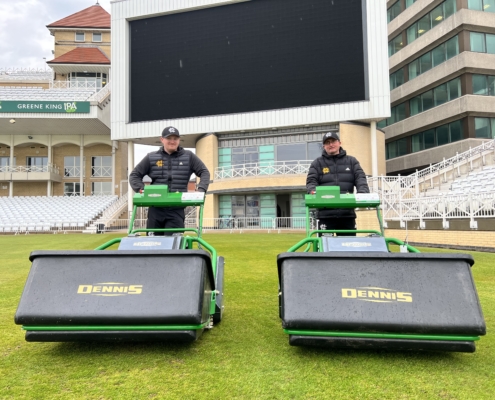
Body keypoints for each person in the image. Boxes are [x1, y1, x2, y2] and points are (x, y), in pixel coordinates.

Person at [129, 126, 210, 235]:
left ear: (179, 140)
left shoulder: (189, 156)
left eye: (175, 138)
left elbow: (204, 172)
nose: (172, 141)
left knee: (174, 245)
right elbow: (134, 175)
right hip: (155, 209)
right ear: (162, 139)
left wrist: (201, 189)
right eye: (169, 138)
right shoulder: (151, 157)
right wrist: (142, 189)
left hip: (176, 209)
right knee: (152, 245)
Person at [306, 131, 369, 236]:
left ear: (339, 143)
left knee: (348, 248)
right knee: (325, 248)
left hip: (347, 215)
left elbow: (360, 178)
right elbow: (311, 182)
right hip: (325, 215)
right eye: (327, 143)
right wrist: (313, 191)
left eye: (333, 141)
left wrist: (363, 191)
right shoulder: (317, 163)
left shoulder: (352, 161)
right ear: (324, 146)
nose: (331, 145)